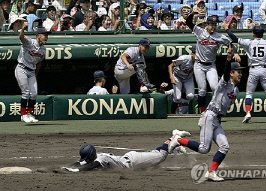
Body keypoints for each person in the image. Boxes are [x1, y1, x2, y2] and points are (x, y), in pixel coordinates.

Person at [168, 44, 245, 182]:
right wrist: (228, 58)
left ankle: (211, 172)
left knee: (224, 146)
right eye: (237, 71)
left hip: (217, 119)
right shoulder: (224, 83)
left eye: (240, 71)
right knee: (204, 149)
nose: (240, 73)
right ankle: (178, 140)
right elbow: (226, 72)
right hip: (209, 116)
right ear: (231, 73)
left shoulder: (236, 90)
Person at [223, 19, 266, 123]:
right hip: (264, 69)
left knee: (249, 94)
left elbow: (234, 38)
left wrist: (227, 30)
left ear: (253, 34)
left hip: (253, 70)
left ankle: (248, 113)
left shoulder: (249, 43)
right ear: (262, 34)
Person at [186, 14, 241, 114]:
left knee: (215, 88)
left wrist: (235, 52)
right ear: (206, 24)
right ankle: (202, 112)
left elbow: (230, 43)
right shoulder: (199, 31)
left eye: (215, 24)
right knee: (202, 89)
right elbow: (188, 23)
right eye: (211, 24)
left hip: (211, 65)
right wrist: (193, 13)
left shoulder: (219, 36)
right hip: (199, 65)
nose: (214, 27)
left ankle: (216, 109)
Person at [60, 130, 190, 172]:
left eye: (87, 159)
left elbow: (91, 166)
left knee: (161, 156)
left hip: (134, 161)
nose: (86, 161)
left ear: (91, 156)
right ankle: (174, 144)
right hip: (130, 160)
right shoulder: (94, 157)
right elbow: (80, 163)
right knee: (156, 155)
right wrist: (65, 167)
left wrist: (77, 171)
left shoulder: (100, 160)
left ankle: (174, 138)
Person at [15, 23, 51, 123]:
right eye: (45, 35)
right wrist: (22, 28)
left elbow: (39, 63)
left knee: (34, 94)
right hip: (21, 68)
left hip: (31, 71)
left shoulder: (43, 49)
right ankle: (23, 115)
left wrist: (35, 74)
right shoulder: (30, 42)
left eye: (47, 35)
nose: (46, 37)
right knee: (26, 92)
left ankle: (29, 114)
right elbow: (21, 37)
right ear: (38, 36)